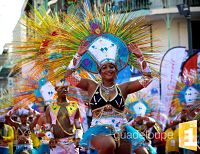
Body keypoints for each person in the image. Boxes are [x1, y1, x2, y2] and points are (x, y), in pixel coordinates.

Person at [64, 22, 153, 153]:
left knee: (143, 152)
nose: (108, 69)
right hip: (99, 130)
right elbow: (69, 76)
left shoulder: (124, 88)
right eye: (104, 67)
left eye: (111, 67)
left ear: (116, 70)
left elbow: (147, 79)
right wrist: (78, 55)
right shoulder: (91, 85)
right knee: (108, 145)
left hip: (122, 129)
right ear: (99, 72)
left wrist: (140, 57)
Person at [45, 81, 82, 154]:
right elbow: (47, 128)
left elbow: (78, 127)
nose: (64, 90)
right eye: (61, 88)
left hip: (71, 145)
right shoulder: (50, 108)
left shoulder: (74, 106)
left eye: (66, 88)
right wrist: (51, 138)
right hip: (56, 145)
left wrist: (78, 138)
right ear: (56, 89)